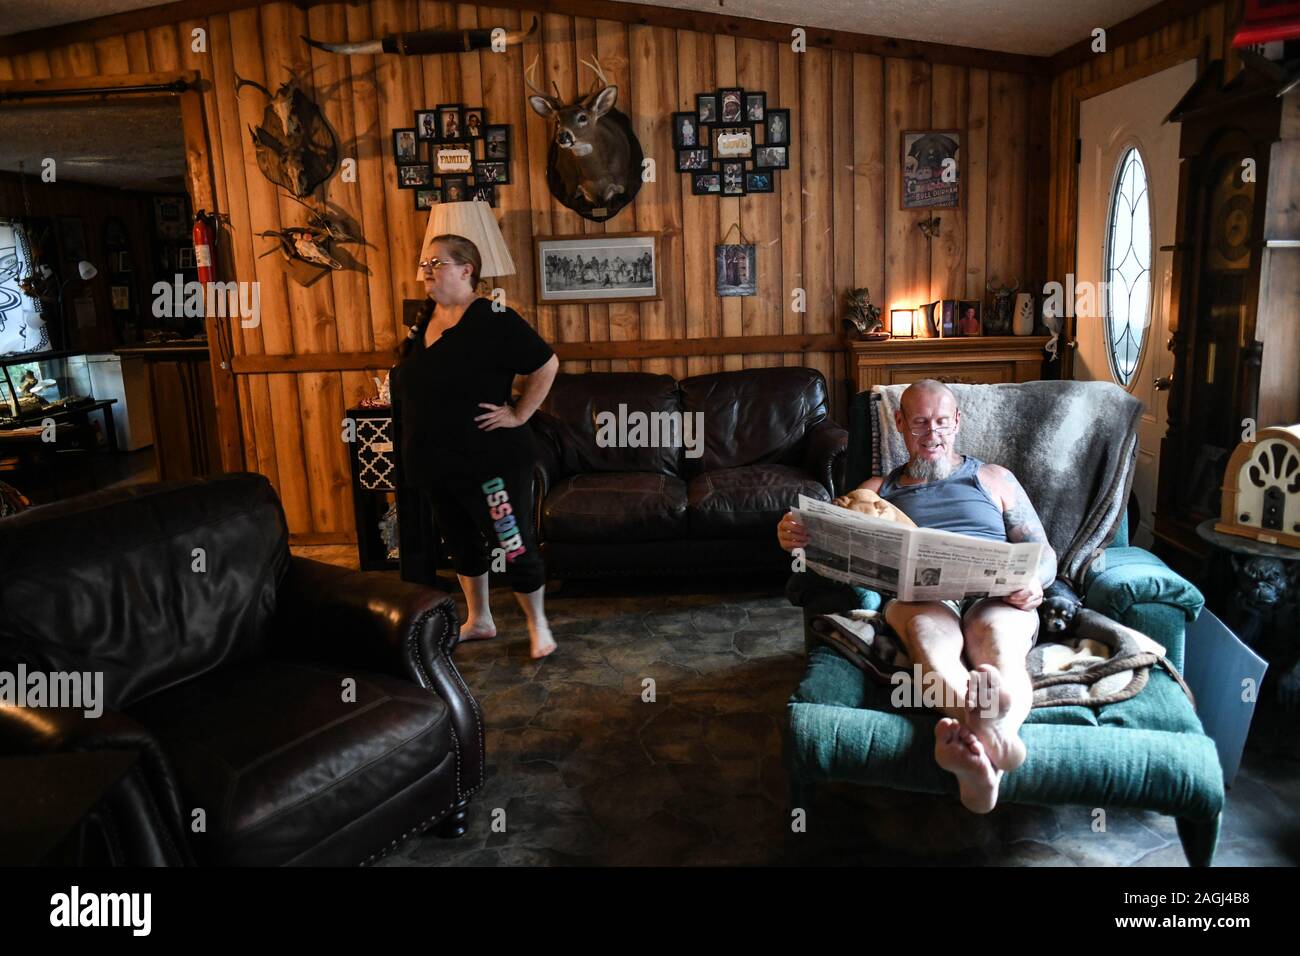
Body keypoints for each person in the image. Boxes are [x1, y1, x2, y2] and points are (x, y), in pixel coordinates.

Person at [776, 379, 1056, 813]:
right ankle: (996, 742)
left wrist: (1034, 580)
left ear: (958, 422)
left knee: (998, 645)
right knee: (928, 638)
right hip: (924, 598)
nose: (933, 434)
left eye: (942, 422)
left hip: (995, 593)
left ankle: (982, 749)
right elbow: (825, 533)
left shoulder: (995, 478)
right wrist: (792, 534)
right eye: (921, 423)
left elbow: (1044, 552)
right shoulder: (876, 489)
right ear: (900, 424)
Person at [395, 234, 561, 659]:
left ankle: (537, 625)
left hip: (491, 463)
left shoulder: (494, 316)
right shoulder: (423, 316)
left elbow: (546, 363)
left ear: (467, 269)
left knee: (513, 542)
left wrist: (520, 414)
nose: (427, 270)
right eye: (424, 261)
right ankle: (480, 619)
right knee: (461, 543)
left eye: (437, 262)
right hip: (436, 461)